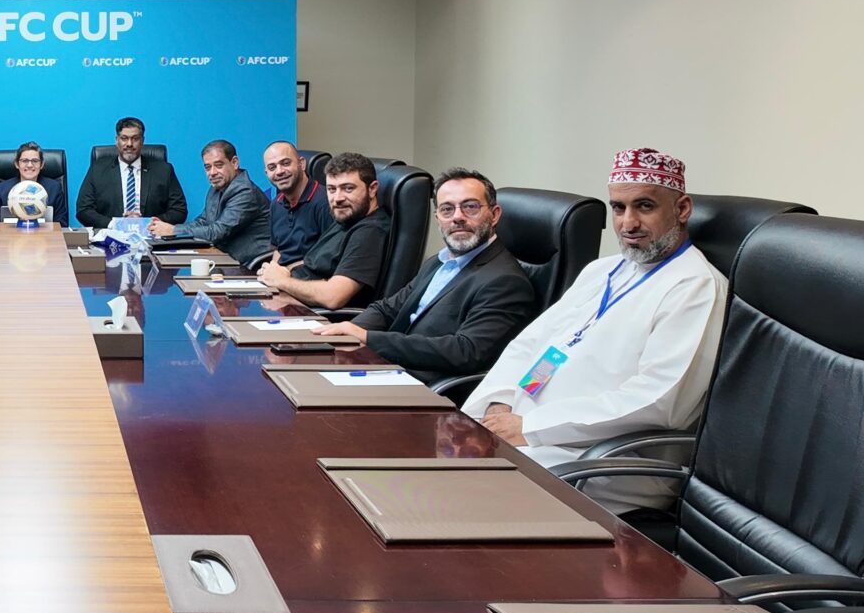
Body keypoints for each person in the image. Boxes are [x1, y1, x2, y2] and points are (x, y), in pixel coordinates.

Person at [462, 149, 727, 491]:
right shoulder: (603, 270)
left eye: (645, 206)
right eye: (618, 207)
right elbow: (530, 344)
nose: (628, 223)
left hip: (601, 460)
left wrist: (529, 426)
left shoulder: (696, 286)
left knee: (465, 489)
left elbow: (657, 401)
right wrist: (499, 404)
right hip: (524, 429)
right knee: (440, 461)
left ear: (682, 209)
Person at [310, 167, 537, 381]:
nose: (457, 217)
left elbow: (465, 351)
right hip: (386, 368)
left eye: (470, 207)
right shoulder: (440, 261)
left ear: (494, 215)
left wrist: (368, 338)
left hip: (424, 387)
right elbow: (387, 309)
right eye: (447, 209)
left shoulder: (506, 282)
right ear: (438, 218)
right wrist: (345, 334)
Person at [256, 151, 389, 310]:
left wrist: (282, 281)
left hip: (309, 313)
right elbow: (313, 262)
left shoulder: (370, 232)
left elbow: (333, 297)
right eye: (332, 189)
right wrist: (279, 271)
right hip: (288, 295)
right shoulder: (347, 218)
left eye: (348, 188)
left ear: (372, 189)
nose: (337, 198)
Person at [151, 139, 272, 264]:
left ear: (234, 163)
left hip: (250, 265)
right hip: (224, 258)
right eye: (208, 167)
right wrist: (170, 229)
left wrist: (173, 231)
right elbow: (203, 221)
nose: (212, 173)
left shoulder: (245, 192)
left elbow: (218, 232)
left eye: (219, 165)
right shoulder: (216, 189)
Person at [74, 116, 189, 229]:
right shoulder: (97, 170)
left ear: (142, 141)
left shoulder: (164, 170)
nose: (129, 144)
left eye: (135, 138)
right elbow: (83, 210)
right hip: (110, 235)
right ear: (117, 140)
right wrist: (114, 224)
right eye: (124, 138)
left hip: (152, 235)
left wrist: (148, 223)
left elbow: (179, 210)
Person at [263, 141, 331, 259]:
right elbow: (278, 250)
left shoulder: (325, 202)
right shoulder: (276, 204)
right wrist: (272, 267)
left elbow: (328, 258)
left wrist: (286, 269)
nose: (279, 171)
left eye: (286, 163)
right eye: (272, 167)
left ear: (302, 164)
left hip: (311, 270)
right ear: (266, 173)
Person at [0, 141, 68, 225]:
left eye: (35, 161)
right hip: (8, 233)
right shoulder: (0, 190)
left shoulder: (54, 189)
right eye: (25, 161)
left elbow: (62, 225)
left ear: (41, 164)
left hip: (45, 233)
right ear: (17, 164)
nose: (30, 165)